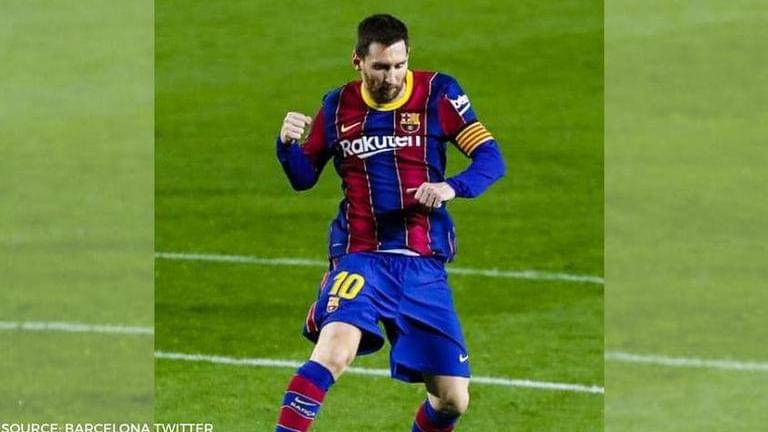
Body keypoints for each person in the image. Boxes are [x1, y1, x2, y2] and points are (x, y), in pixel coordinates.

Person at [273, 13, 505, 432]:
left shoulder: (439, 93)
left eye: (399, 65)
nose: (392, 77)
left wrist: (452, 187)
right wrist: (287, 145)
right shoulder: (337, 106)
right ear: (358, 61)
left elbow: (491, 158)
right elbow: (303, 177)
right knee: (334, 353)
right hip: (360, 256)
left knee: (452, 400)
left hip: (422, 262)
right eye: (381, 67)